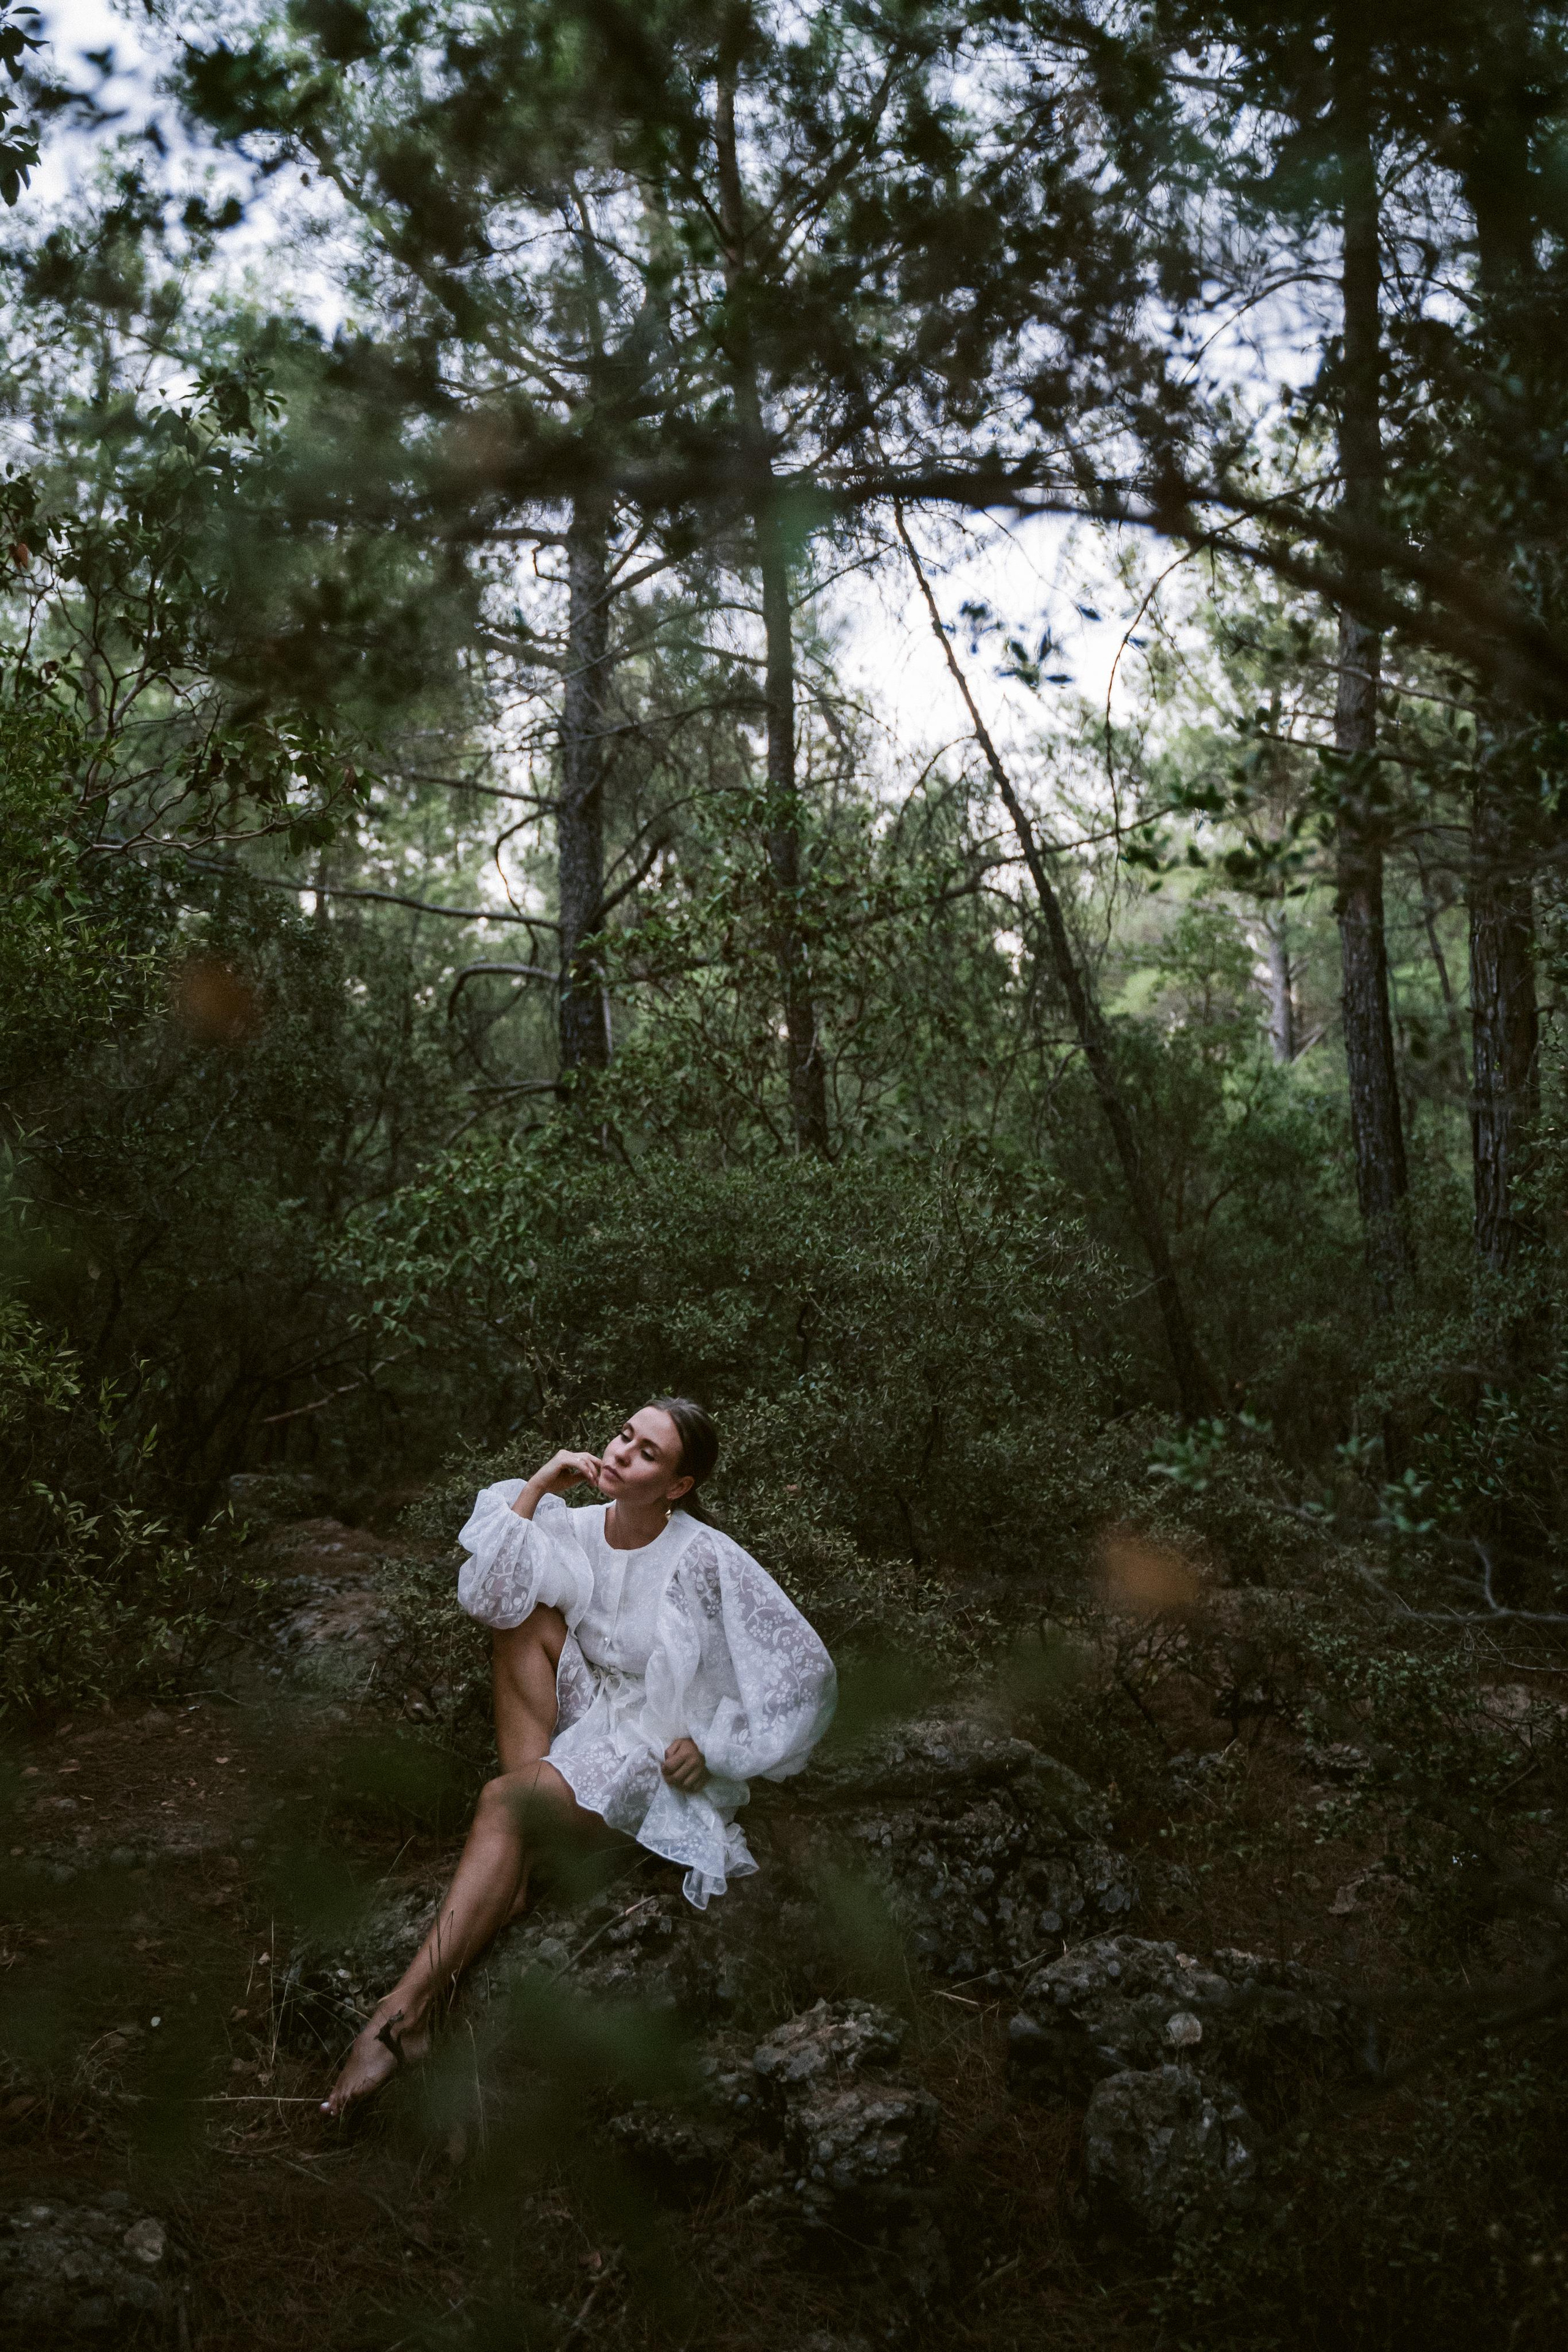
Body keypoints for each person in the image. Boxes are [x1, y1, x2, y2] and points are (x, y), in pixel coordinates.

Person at [323, 1396, 836, 2116]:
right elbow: (491, 1599)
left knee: (502, 1800)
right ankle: (519, 1861)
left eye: (648, 1453)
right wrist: (539, 1486)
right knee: (519, 1618)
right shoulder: (577, 1527)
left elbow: (804, 1675)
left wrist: (715, 1750)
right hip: (590, 1717)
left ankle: (399, 2019)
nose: (622, 1452)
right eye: (625, 1435)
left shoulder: (703, 1555)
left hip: (650, 1751)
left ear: (679, 1485)